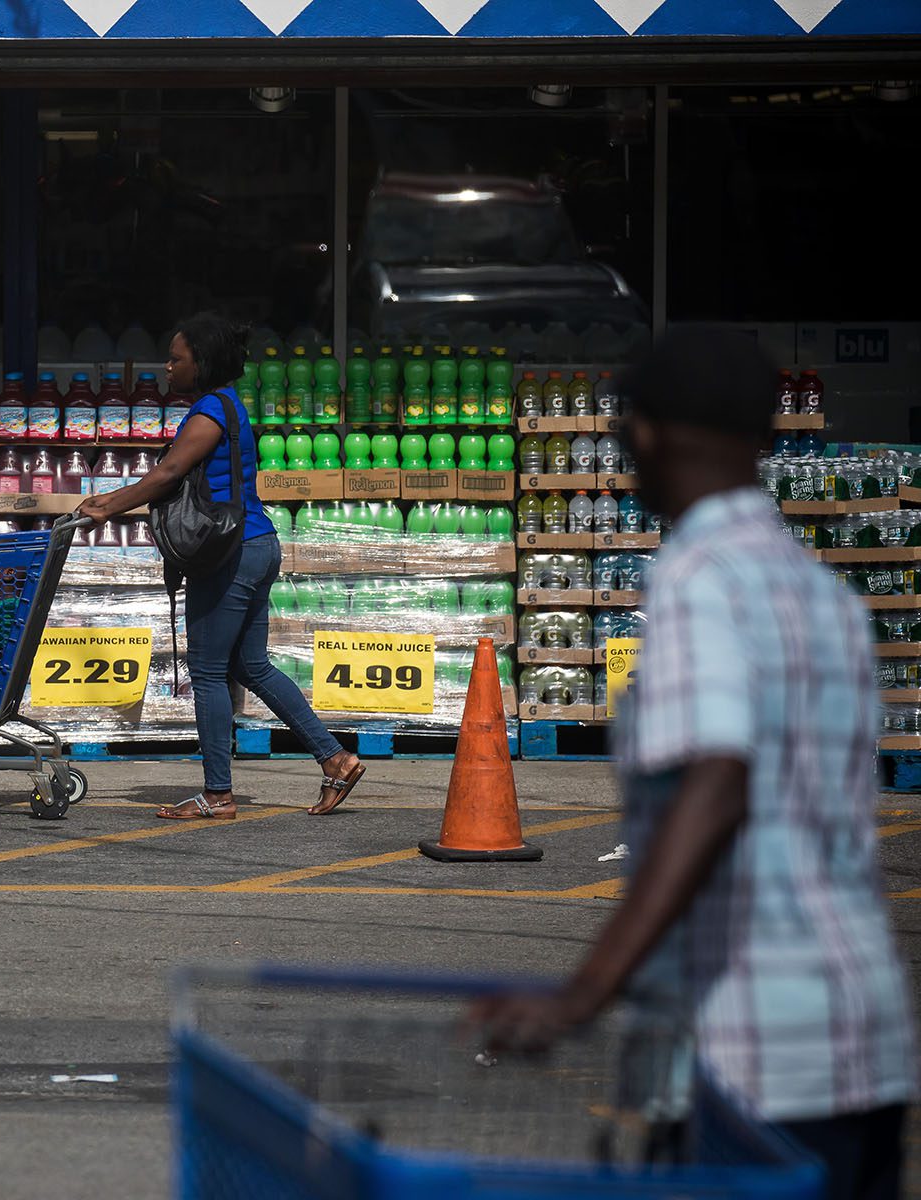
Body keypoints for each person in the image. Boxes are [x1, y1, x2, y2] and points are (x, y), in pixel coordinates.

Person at [474, 331, 916, 1200]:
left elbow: (717, 784)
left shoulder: (697, 579)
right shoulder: (821, 593)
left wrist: (585, 993)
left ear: (648, 436)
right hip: (868, 1030)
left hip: (754, 1051)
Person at [76, 313, 364, 820]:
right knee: (251, 666)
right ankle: (335, 758)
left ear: (201, 363)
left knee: (208, 673)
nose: (168, 366)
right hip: (256, 544)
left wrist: (105, 505)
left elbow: (168, 473)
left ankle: (217, 794)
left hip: (229, 552)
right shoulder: (230, 405)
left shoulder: (210, 410)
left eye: (177, 358)